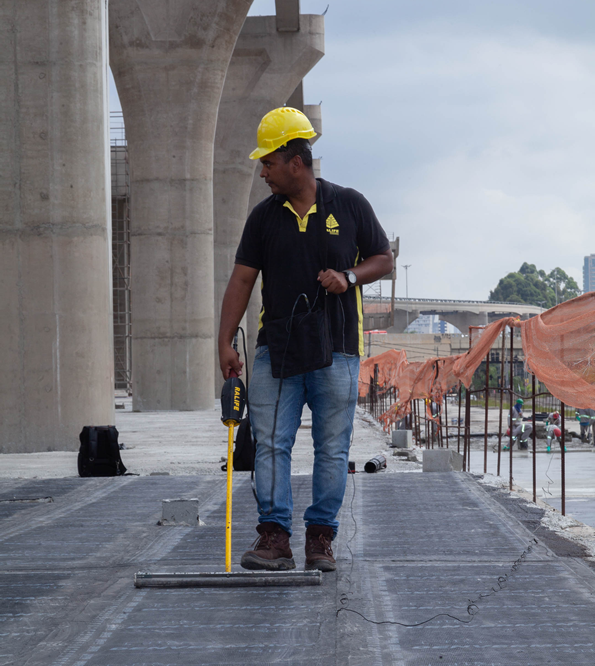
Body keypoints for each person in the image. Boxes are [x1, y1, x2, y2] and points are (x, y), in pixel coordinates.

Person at [218, 107, 393, 572]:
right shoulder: (263, 219)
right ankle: (274, 536)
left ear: (295, 161)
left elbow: (383, 259)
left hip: (336, 350)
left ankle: (321, 539)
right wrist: (225, 343)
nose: (263, 171)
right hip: (277, 350)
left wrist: (349, 277)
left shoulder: (349, 205)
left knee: (331, 447)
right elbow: (240, 282)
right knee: (271, 442)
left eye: (269, 162)